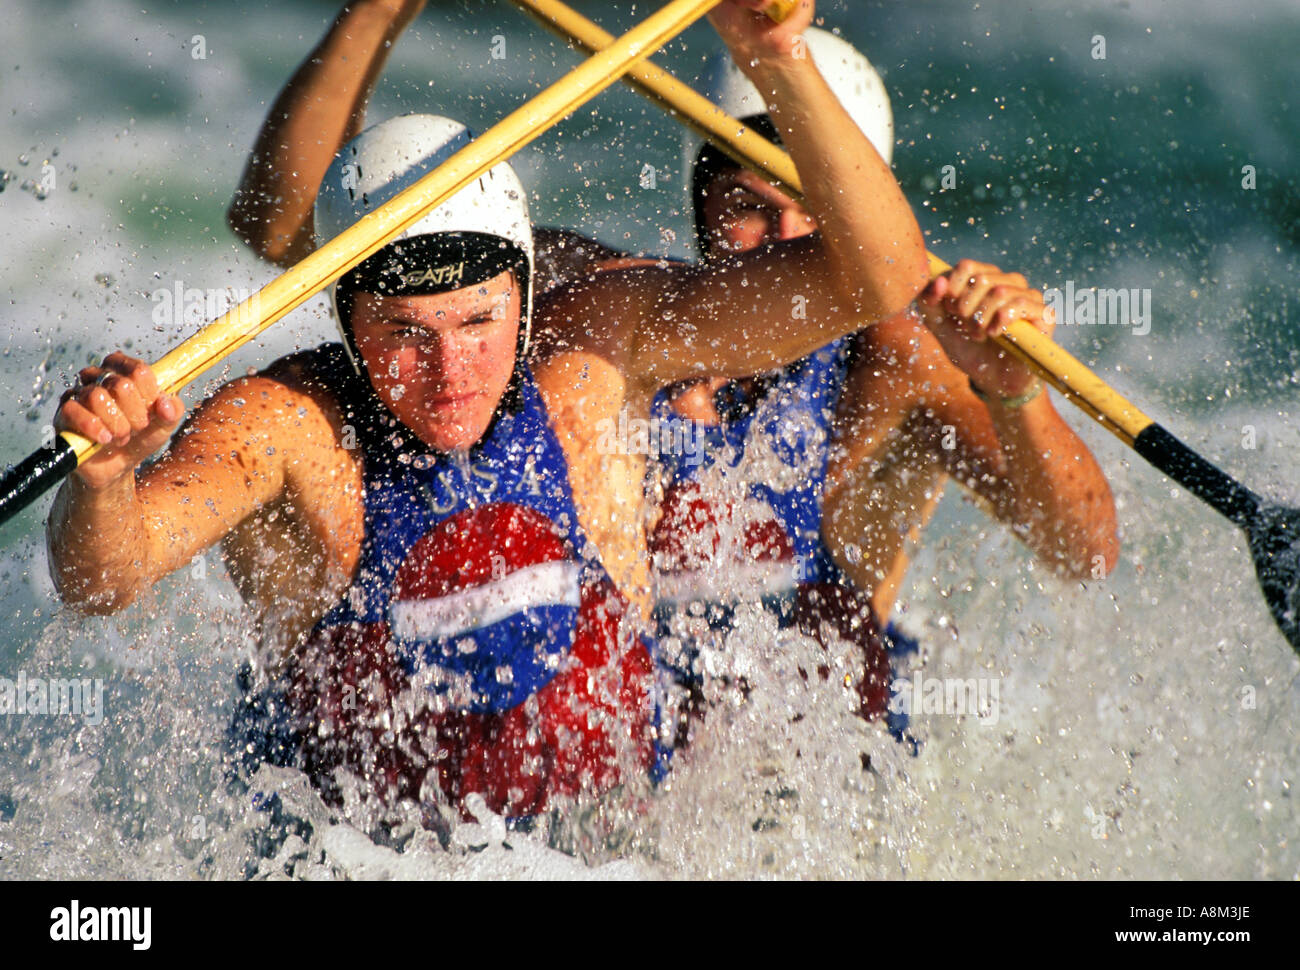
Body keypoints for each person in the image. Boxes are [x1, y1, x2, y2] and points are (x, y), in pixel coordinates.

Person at [46, 0, 930, 826]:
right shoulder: (284, 425)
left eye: (479, 321)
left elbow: (879, 278)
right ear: (345, 314)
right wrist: (107, 479)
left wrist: (777, 59)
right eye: (404, 334)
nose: (450, 371)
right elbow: (99, 583)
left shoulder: (597, 353)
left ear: (529, 289)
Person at [647, 30, 1120, 749]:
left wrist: (1015, 392)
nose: (787, 237)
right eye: (746, 204)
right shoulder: (629, 338)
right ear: (697, 206)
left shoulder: (897, 360)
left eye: (816, 207)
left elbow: (1084, 554)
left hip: (837, 782)